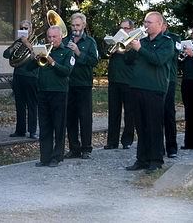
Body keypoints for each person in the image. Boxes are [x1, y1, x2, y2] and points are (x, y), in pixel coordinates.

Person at [125, 11, 174, 173]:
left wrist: (140, 49)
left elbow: (158, 60)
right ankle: (142, 159)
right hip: (137, 87)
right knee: (141, 126)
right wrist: (130, 46)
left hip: (155, 89)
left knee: (154, 125)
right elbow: (127, 61)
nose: (146, 25)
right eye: (145, 21)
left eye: (150, 22)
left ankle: (156, 160)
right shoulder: (142, 41)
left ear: (160, 25)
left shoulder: (167, 42)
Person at [26, 25, 74, 167]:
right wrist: (34, 58)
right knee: (45, 125)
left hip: (59, 92)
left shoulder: (67, 52)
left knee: (58, 126)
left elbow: (67, 71)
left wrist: (53, 62)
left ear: (61, 37)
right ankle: (45, 157)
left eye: (54, 37)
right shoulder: (44, 50)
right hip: (43, 91)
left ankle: (57, 157)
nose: (51, 40)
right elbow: (29, 68)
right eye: (49, 37)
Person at [65, 13, 98, 159]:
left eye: (78, 25)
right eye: (73, 25)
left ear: (83, 25)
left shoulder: (90, 42)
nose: (75, 28)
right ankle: (74, 148)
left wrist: (78, 52)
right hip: (68, 84)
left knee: (85, 117)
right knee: (70, 118)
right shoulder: (66, 40)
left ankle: (86, 148)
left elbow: (94, 61)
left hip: (83, 84)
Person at [3, 20, 39, 139]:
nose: (24, 30)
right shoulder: (17, 42)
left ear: (31, 29)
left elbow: (38, 54)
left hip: (31, 76)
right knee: (19, 104)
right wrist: (13, 48)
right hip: (18, 76)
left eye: (26, 28)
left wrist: (27, 43)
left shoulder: (36, 41)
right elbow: (6, 55)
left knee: (32, 104)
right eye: (22, 28)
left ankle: (32, 131)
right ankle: (20, 130)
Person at [104, 20, 135, 150]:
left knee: (129, 113)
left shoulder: (135, 42)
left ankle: (127, 141)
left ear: (131, 29)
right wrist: (111, 48)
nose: (123, 30)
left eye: (126, 28)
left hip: (129, 82)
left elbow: (133, 59)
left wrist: (123, 51)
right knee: (113, 112)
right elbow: (104, 54)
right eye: (121, 28)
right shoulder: (116, 40)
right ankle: (112, 142)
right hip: (114, 80)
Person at [162, 19, 182, 158]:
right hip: (154, 81)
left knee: (168, 113)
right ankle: (157, 148)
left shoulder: (173, 38)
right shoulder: (147, 39)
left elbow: (174, 55)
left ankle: (171, 147)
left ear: (164, 25)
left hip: (169, 79)